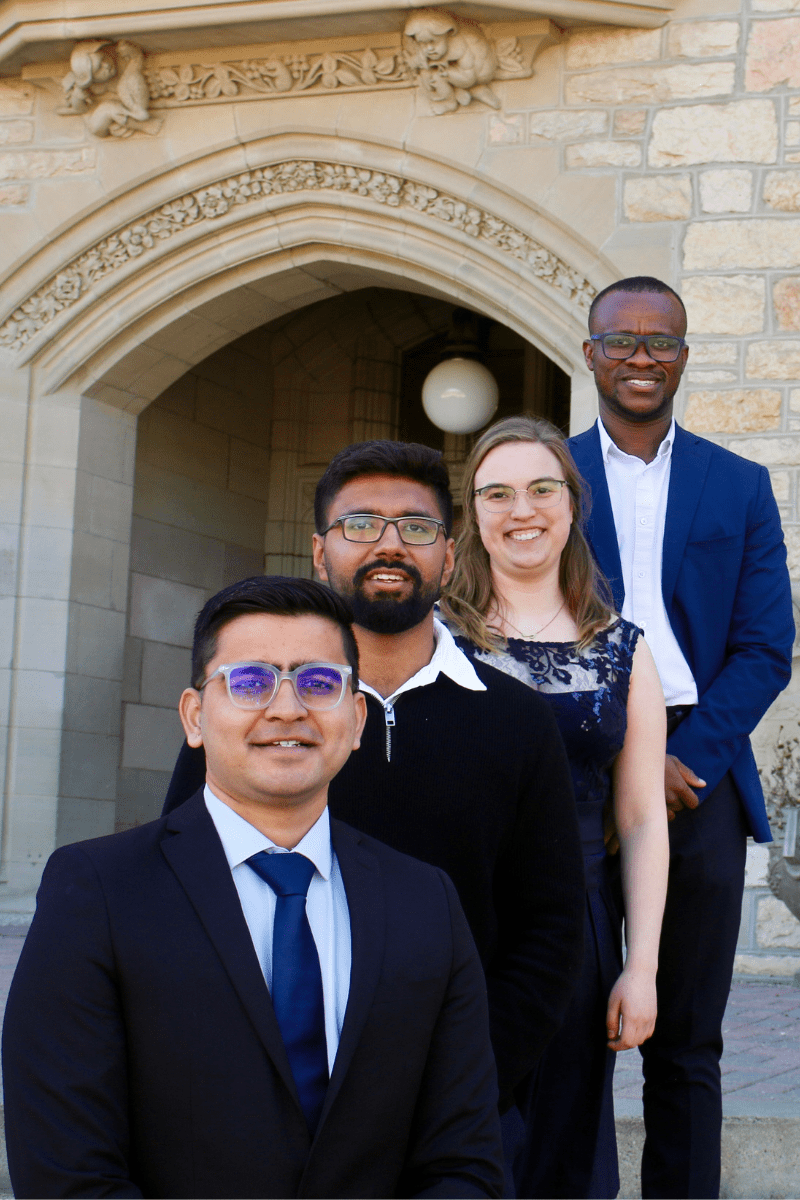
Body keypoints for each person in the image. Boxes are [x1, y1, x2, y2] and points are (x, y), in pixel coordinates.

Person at [164, 440, 586, 1192]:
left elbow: (549, 931)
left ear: (449, 557)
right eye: (361, 524)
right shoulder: (258, 719)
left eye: (415, 527)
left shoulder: (521, 724)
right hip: (254, 1109)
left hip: (455, 1122)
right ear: (321, 553)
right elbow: (185, 899)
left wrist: (465, 1079)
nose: (389, 543)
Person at [3, 576, 505, 1200]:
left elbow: (467, 1163)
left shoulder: (424, 901)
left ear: (354, 720)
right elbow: (65, 1172)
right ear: (195, 715)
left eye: (318, 682)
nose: (287, 708)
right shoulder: (96, 892)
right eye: (249, 682)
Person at [569, 276, 795, 1200]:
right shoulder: (548, 478)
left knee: (689, 1041)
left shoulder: (738, 485)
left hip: (695, 773)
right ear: (589, 353)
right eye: (621, 341)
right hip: (577, 762)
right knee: (568, 1022)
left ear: (684, 357)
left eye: (660, 342)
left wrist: (683, 760)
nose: (640, 358)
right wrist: (613, 759)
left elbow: (766, 646)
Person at [440, 414, 669, 1199]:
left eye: (542, 488)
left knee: (565, 1149)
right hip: (456, 923)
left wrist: (641, 969)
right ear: (474, 513)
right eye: (496, 493)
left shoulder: (624, 649)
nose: (521, 510)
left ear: (572, 504)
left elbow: (642, 820)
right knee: (457, 1137)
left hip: (577, 926)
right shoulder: (436, 639)